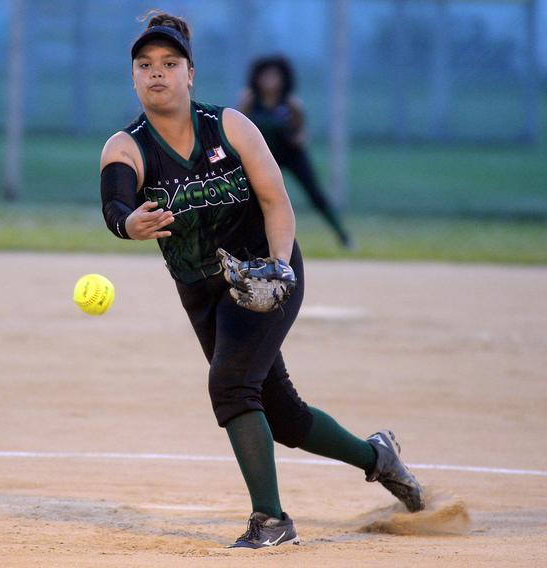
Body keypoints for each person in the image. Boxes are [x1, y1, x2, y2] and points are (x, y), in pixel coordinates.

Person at [99, 11, 424, 549]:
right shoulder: (126, 145)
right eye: (145, 64)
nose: (157, 72)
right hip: (199, 290)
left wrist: (279, 268)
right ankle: (378, 456)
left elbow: (276, 201)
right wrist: (129, 223)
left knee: (231, 386)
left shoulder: (229, 126)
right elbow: (115, 204)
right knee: (286, 417)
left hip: (263, 272)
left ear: (190, 74)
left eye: (170, 63)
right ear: (133, 78)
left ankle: (271, 520)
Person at [239, 55, 354, 249]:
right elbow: (239, 127)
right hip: (262, 156)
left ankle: (344, 237)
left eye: (275, 76)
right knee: (245, 196)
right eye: (266, 76)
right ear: (257, 78)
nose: (270, 81)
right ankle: (244, 241)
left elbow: (301, 134)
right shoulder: (250, 101)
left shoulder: (291, 104)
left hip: (291, 154)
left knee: (315, 193)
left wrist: (296, 137)